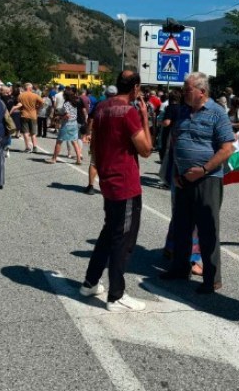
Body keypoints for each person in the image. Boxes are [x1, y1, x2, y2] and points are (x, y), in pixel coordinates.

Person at [80, 71, 152, 312]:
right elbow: (146, 150)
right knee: (124, 239)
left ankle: (90, 282)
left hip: (107, 178)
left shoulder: (101, 108)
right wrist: (143, 118)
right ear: (135, 88)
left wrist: (100, 169)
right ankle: (116, 295)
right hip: (125, 182)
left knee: (109, 232)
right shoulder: (129, 112)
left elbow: (96, 143)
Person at [160, 72, 236, 294]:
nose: (183, 93)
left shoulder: (217, 113)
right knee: (182, 225)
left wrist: (203, 169)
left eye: (187, 89)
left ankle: (211, 279)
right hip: (183, 178)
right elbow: (175, 139)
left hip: (207, 179)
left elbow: (227, 148)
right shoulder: (182, 112)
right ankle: (179, 268)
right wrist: (176, 169)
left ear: (202, 92)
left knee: (207, 229)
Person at [47, 89, 82, 164]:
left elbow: (67, 115)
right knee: (74, 141)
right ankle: (78, 159)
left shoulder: (66, 103)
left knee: (59, 141)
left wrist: (60, 118)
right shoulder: (74, 103)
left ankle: (54, 158)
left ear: (65, 96)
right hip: (74, 123)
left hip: (67, 124)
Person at [16, 82, 45, 153]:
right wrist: (38, 107)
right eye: (31, 88)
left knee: (25, 132)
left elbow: (19, 105)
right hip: (33, 115)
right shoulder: (35, 95)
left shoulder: (20, 96)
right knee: (33, 132)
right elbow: (42, 102)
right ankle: (35, 147)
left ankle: (27, 147)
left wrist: (21, 109)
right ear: (29, 88)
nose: (32, 89)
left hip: (24, 115)